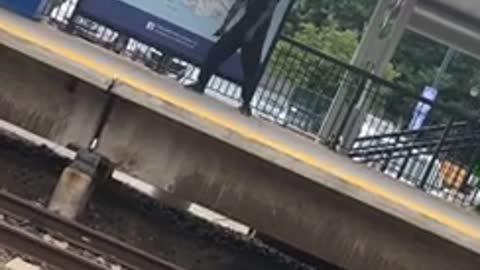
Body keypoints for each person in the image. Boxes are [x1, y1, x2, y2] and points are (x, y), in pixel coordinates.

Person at [186, 0, 279, 116]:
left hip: (258, 32)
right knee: (216, 52)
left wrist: (253, 30)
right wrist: (224, 26)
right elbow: (237, 5)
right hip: (243, 24)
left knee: (250, 68)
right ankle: (200, 83)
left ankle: (246, 104)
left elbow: (268, 11)